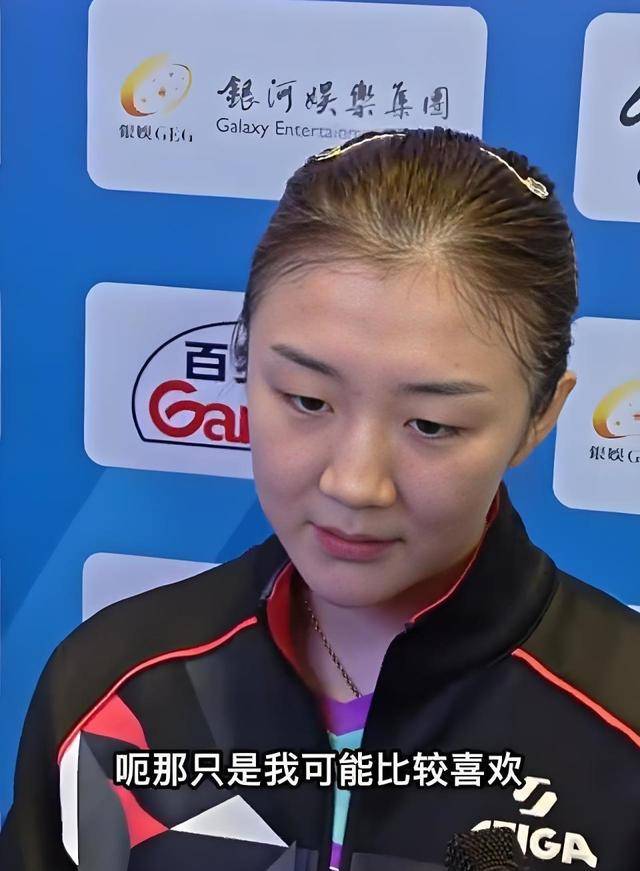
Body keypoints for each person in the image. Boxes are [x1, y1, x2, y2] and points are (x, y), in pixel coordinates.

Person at [1, 126, 639, 871]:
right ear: (245, 363)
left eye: (432, 424)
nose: (354, 483)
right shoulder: (114, 687)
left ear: (540, 418)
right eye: (307, 400)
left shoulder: (622, 720)